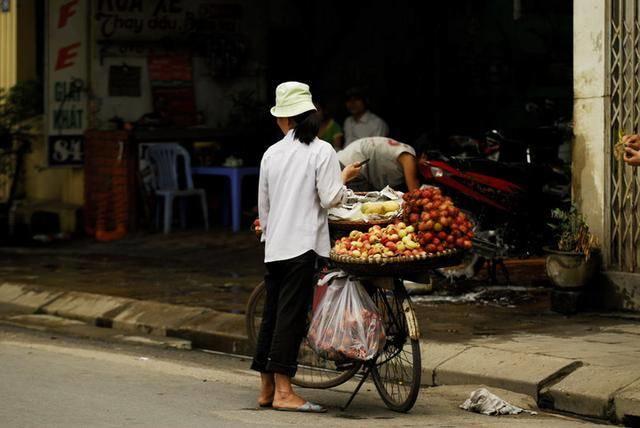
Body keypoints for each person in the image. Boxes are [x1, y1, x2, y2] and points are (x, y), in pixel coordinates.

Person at [253, 81, 361, 413]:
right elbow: (329, 198)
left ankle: (268, 387)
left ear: (283, 120)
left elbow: (264, 207)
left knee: (273, 315)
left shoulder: (271, 153)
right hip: (303, 247)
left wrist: (269, 235)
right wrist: (344, 180)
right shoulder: (321, 150)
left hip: (275, 246)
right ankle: (285, 392)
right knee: (291, 317)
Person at [337, 136, 420, 192]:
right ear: (423, 156)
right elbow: (414, 192)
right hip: (350, 164)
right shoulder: (408, 157)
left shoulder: (402, 150)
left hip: (346, 156)